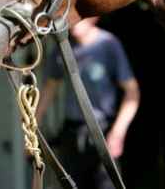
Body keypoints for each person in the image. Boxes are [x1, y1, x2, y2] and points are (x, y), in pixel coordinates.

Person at [36, 17, 140, 189]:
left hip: (102, 132)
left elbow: (132, 92)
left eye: (78, 17)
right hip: (71, 133)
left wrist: (118, 132)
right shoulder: (63, 47)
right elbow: (49, 89)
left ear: (92, 17)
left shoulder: (108, 44)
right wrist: (33, 127)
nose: (72, 22)